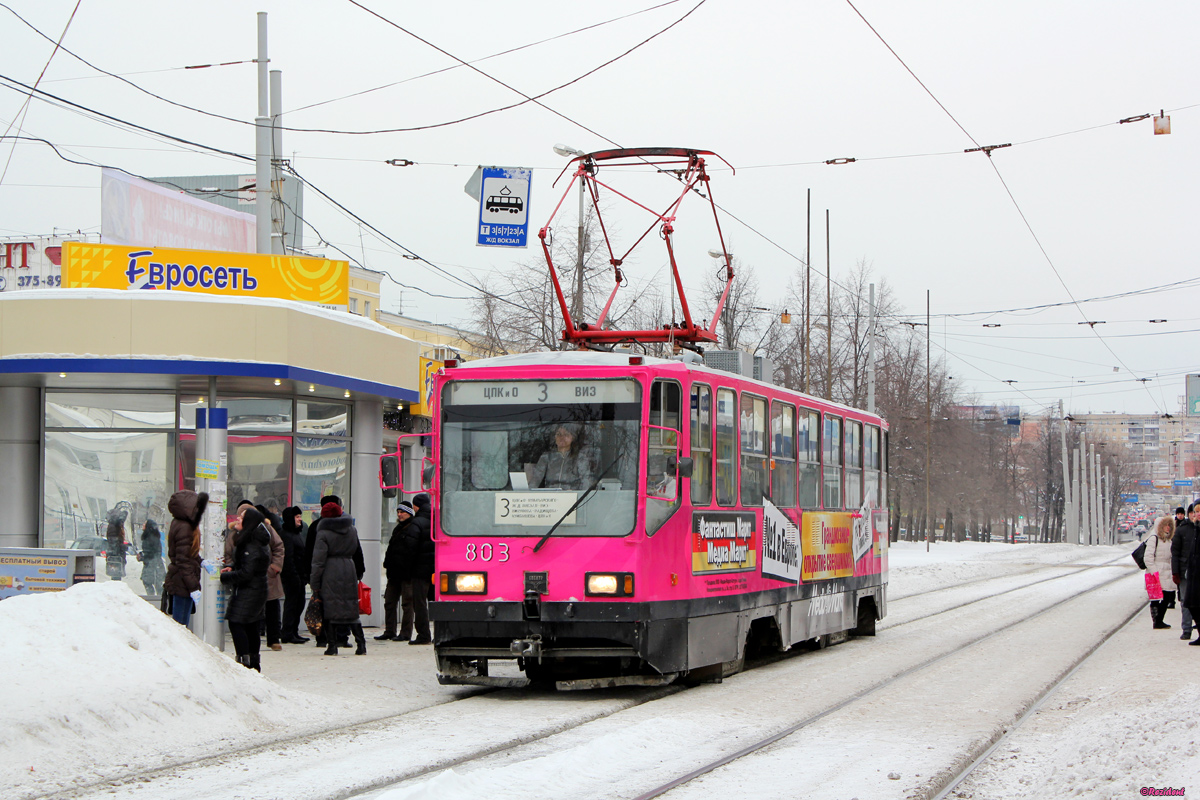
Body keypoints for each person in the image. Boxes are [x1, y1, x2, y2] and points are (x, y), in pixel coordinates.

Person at [310, 501, 367, 655]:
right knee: (351, 608)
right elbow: (357, 550)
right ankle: (361, 644)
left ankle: (332, 646)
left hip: (330, 571)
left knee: (330, 609)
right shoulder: (351, 529)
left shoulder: (323, 533)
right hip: (349, 568)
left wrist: (314, 583)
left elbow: (318, 560)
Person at [220, 506, 271, 671]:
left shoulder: (251, 544)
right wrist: (233, 567)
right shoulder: (253, 539)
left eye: (241, 518)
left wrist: (226, 577)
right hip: (255, 589)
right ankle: (253, 664)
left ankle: (245, 662)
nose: (238, 519)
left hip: (250, 590)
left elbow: (247, 573)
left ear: (248, 522)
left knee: (237, 623)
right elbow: (248, 566)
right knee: (250, 624)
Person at [162, 490, 208, 626]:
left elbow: (187, 554)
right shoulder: (185, 527)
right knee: (180, 626)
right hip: (182, 583)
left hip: (181, 581)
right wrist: (193, 587)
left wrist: (201, 562)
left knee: (180, 625)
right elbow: (183, 561)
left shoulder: (180, 523)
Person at [377, 502, 416, 641]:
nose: (399, 514)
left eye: (402, 512)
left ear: (409, 513)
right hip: (394, 573)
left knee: (407, 604)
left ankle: (405, 633)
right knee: (389, 602)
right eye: (398, 512)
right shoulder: (397, 529)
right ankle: (390, 630)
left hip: (407, 573)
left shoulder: (413, 528)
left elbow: (412, 551)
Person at [255, 504, 287, 651]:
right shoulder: (238, 531)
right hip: (250, 575)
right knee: (252, 609)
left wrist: (275, 566)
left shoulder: (267, 528)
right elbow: (230, 551)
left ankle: (274, 639)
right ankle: (254, 639)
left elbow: (279, 546)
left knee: (272, 606)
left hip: (268, 574)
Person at [279, 506, 310, 644]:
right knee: (292, 604)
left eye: (300, 516)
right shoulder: (286, 535)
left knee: (299, 604)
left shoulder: (297, 534)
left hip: (300, 576)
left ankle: (294, 631)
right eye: (297, 517)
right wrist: (294, 576)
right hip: (292, 577)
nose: (300, 519)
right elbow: (288, 558)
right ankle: (287, 632)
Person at [529, 424, 592, 490]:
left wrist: (580, 494)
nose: (562, 437)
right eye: (558, 434)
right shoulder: (546, 457)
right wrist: (528, 493)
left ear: (572, 438)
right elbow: (536, 479)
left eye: (566, 434)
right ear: (555, 437)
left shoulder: (580, 457)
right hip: (551, 494)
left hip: (572, 494)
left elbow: (586, 481)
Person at [408, 493, 435, 644]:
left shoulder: (416, 522)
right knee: (437, 602)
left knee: (420, 603)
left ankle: (424, 635)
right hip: (438, 569)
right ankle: (442, 633)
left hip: (420, 570)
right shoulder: (440, 520)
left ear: (416, 506)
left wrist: (408, 568)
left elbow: (410, 548)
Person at [1144, 516, 1176, 629]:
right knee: (1156, 598)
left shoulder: (1168, 540)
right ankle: (1157, 621)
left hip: (1166, 572)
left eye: (1169, 525)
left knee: (1167, 596)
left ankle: (1159, 620)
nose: (1168, 527)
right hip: (1156, 572)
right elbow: (1148, 557)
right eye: (1165, 525)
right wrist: (1154, 571)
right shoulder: (1154, 538)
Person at [1173, 502, 1198, 642]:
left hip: (1197, 570)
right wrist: (1175, 571)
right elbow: (1175, 552)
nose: (1195, 515)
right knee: (1185, 601)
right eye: (1193, 512)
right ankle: (1187, 629)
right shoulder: (1182, 529)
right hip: (1184, 570)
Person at [138, 519, 166, 596]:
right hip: (156, 564)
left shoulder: (149, 537)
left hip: (152, 565)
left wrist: (142, 557)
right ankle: (159, 599)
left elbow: (150, 553)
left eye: (145, 523)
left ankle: (153, 598)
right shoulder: (154, 536)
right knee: (157, 584)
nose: (143, 525)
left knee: (148, 582)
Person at [105, 509, 128, 580]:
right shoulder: (114, 527)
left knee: (116, 575)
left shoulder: (114, 526)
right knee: (116, 576)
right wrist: (123, 547)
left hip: (115, 555)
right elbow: (114, 542)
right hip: (115, 555)